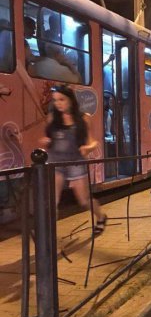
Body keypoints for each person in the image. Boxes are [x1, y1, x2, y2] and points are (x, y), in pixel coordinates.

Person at [39, 85, 107, 233]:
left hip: (75, 162)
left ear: (71, 100)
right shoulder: (52, 118)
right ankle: (49, 237)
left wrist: (87, 148)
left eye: (62, 100)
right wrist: (46, 141)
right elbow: (48, 138)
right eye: (55, 100)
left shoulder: (83, 118)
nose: (58, 104)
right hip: (55, 162)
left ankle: (101, 217)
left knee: (84, 200)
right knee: (53, 201)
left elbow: (93, 142)